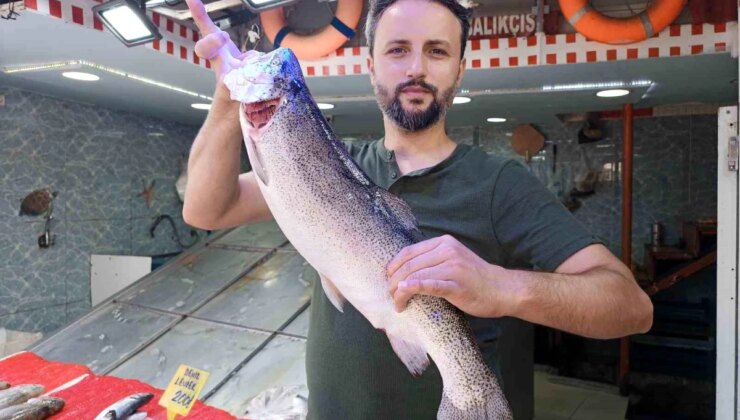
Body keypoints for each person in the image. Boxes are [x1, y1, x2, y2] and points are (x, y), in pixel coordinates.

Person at [182, 0, 654, 417]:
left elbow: (631, 308)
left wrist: (504, 287)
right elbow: (206, 210)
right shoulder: (323, 163)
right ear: (371, 66)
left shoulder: (500, 184)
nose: (416, 68)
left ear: (459, 69)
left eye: (437, 51)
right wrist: (228, 100)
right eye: (397, 49)